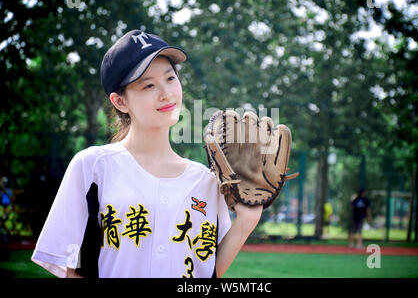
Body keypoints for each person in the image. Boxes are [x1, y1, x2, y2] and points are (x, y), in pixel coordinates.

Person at [30, 29, 263, 278]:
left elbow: (207, 270)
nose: (166, 93)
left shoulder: (206, 180)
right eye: (148, 85)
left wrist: (247, 221)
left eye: (170, 78)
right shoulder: (93, 167)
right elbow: (64, 264)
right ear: (120, 102)